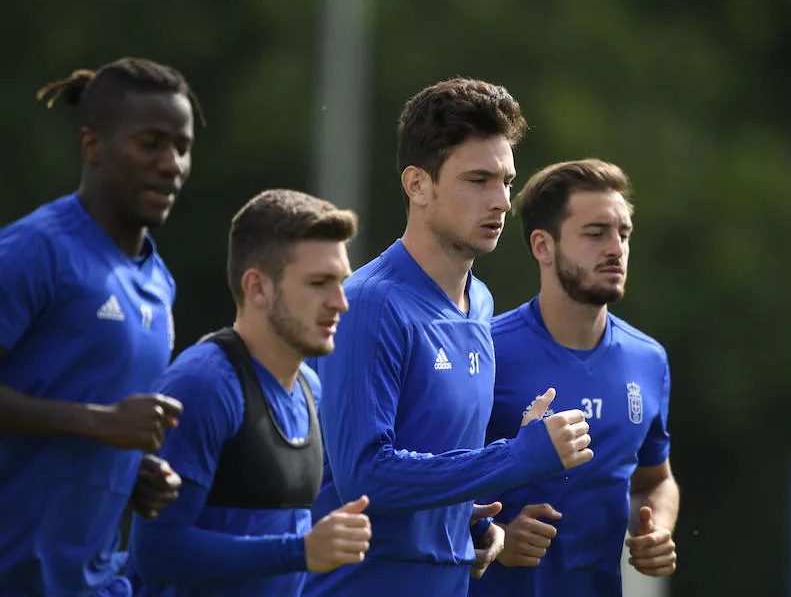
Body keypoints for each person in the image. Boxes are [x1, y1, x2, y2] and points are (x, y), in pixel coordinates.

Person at [304, 78, 594, 597]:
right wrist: (517, 456)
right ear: (417, 185)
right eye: (478, 180)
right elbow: (367, 476)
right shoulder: (370, 304)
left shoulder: (480, 302)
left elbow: (436, 457)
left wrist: (471, 529)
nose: (502, 201)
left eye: (506, 180)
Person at [0, 58, 203, 596]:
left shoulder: (158, 280)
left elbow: (82, 424)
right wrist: (100, 425)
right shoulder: (34, 251)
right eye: (150, 144)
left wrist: (129, 475)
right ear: (92, 146)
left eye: (181, 147)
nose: (171, 165)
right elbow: (94, 418)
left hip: (96, 580)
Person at [129, 190, 372, 597]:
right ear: (258, 288)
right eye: (319, 283)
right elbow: (155, 551)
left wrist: (455, 520)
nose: (341, 302)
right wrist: (299, 551)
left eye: (342, 282)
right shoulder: (204, 386)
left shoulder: (310, 389)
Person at [468, 159, 680, 597]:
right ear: (543, 246)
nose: (616, 248)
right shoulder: (485, 351)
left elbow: (655, 479)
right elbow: (428, 483)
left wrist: (656, 527)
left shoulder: (649, 359)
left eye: (623, 233)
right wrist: (496, 535)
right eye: (595, 233)